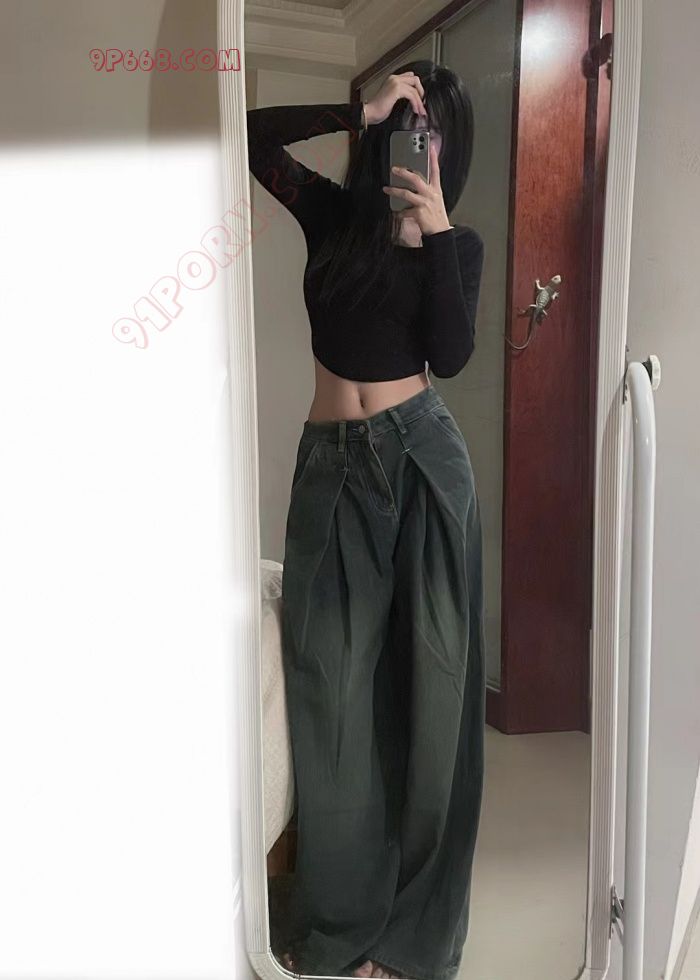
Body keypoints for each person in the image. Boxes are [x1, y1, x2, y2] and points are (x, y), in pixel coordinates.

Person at [246, 59, 486, 980]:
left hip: (421, 462)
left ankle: (413, 938)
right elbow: (251, 139)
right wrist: (357, 107)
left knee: (435, 700)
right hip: (331, 470)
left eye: (430, 128)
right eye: (404, 121)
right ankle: (343, 927)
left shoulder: (457, 245)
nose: (413, 138)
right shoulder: (332, 216)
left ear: (447, 149)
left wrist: (436, 230)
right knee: (330, 695)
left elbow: (451, 356)